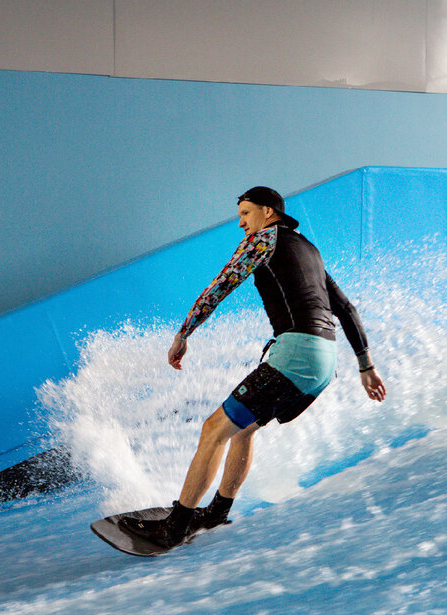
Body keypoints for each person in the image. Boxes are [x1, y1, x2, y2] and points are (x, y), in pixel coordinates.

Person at [120, 186, 387, 548]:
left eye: (246, 213)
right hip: (324, 361)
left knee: (213, 429)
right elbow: (345, 308)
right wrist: (366, 366)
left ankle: (176, 525)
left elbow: (222, 284)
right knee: (242, 430)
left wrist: (184, 333)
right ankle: (216, 511)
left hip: (297, 352)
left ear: (268, 212)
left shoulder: (265, 239)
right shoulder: (310, 249)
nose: (242, 223)